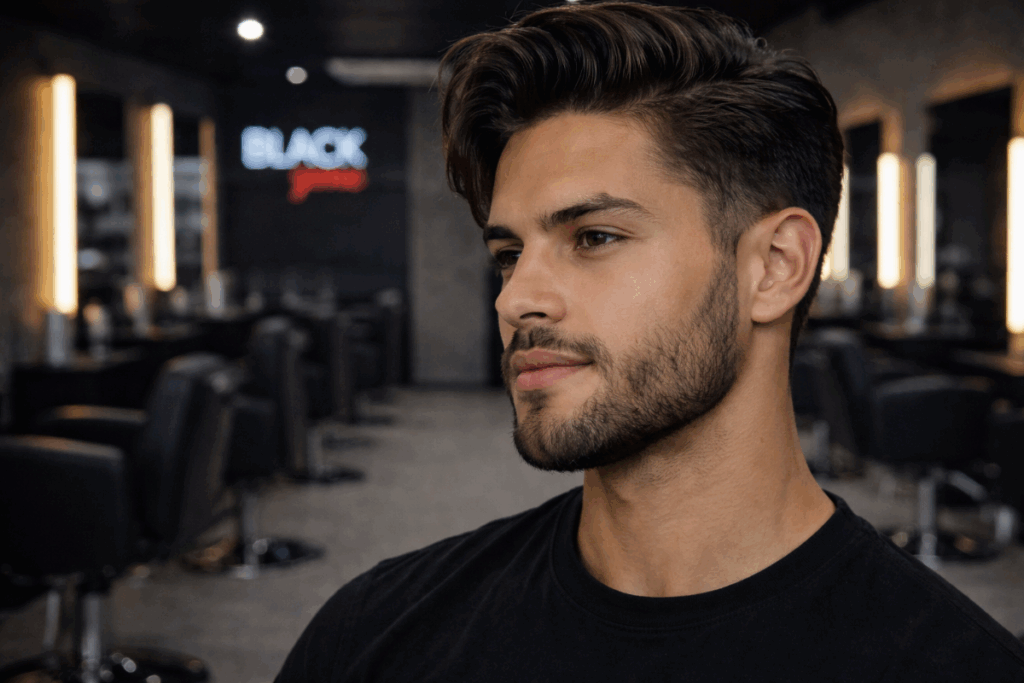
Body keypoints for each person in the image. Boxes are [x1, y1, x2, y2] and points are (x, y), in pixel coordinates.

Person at [275, 3, 1024, 680]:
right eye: (509, 253)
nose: (515, 297)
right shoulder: (373, 638)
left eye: (593, 236)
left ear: (774, 266)